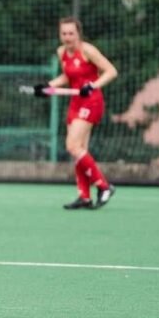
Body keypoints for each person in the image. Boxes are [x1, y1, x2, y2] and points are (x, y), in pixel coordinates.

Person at [32, 17, 117, 209]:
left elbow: (111, 71)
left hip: (91, 101)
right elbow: (67, 76)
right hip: (75, 102)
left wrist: (92, 85)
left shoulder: (88, 50)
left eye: (71, 33)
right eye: (64, 33)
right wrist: (47, 87)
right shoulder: (61, 52)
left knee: (72, 146)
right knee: (80, 150)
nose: (67, 37)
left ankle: (104, 186)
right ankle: (84, 197)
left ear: (78, 34)